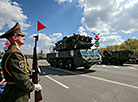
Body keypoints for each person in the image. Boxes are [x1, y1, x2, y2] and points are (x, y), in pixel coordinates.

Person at [0, 22, 42, 102]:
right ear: (15, 38)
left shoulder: (13, 52)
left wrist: (32, 72)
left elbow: (19, 72)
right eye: (21, 36)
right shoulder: (14, 54)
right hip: (16, 96)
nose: (24, 38)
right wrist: (33, 87)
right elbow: (21, 79)